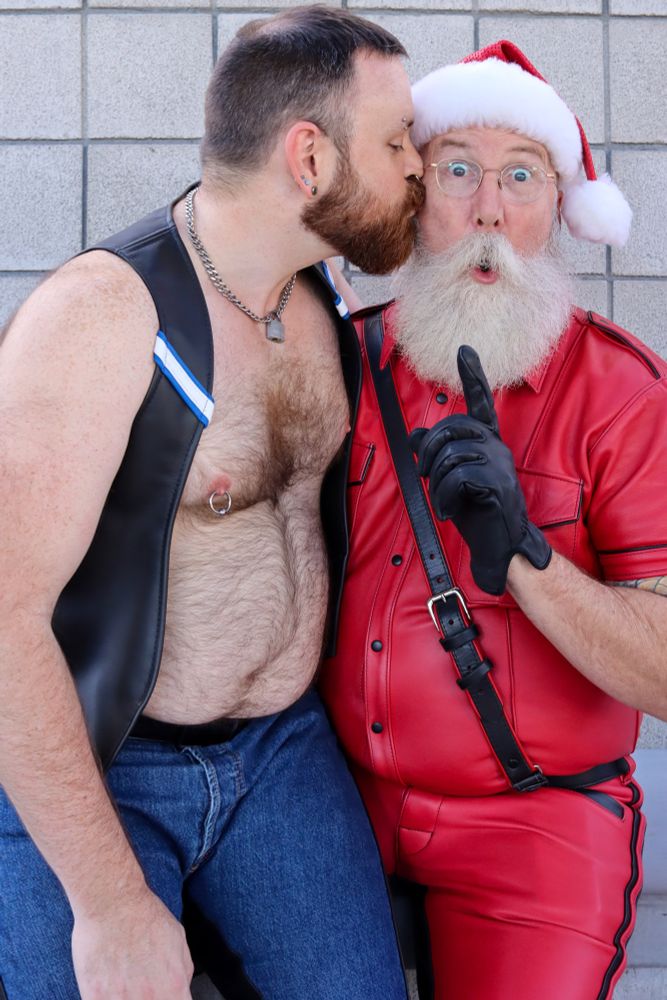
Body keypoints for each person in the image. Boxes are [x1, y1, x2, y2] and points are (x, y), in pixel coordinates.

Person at [0, 7, 425, 999]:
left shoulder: (317, 295)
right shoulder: (103, 318)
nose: (417, 165)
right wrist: (109, 905)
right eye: (397, 142)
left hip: (281, 754)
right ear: (309, 158)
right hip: (101, 764)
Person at [320, 40, 667, 1000]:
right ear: (412, 196)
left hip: (537, 824)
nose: (487, 209)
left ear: (557, 206)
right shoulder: (340, 364)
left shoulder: (624, 394)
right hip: (331, 802)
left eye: (520, 176)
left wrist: (522, 555)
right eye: (457, 170)